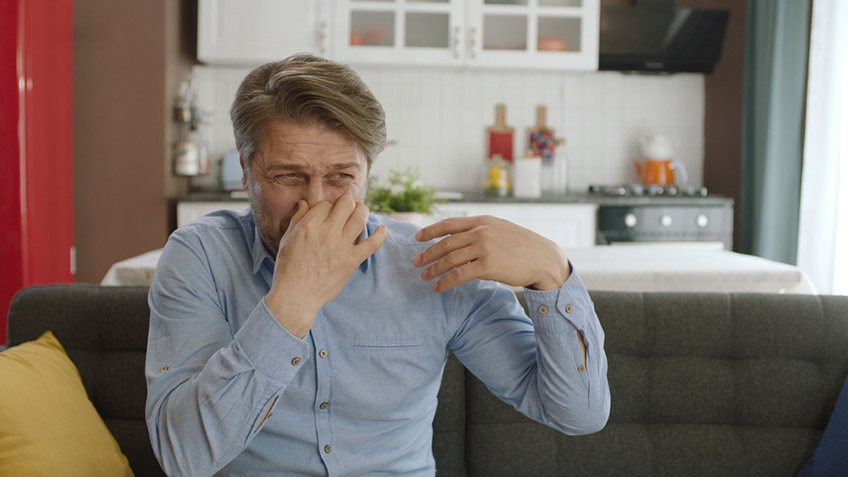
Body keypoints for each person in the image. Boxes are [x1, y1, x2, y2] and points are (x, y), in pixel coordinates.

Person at [145, 54, 610, 476]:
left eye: (340, 177)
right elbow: (184, 457)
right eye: (288, 175)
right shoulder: (199, 258)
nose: (316, 202)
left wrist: (552, 272)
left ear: (367, 173)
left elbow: (577, 414)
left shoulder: (431, 264)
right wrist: (293, 300)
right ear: (246, 172)